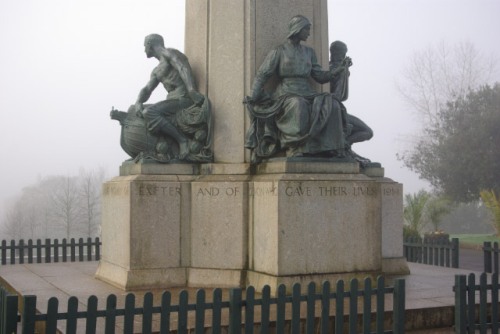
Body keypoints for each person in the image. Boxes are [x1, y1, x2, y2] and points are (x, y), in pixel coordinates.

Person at [244, 15, 346, 160]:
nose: (309, 33)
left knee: (333, 104)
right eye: (307, 29)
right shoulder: (279, 51)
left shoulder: (309, 52)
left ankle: (330, 148)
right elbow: (263, 74)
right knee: (297, 104)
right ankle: (295, 147)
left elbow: (319, 76)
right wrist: (253, 96)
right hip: (286, 92)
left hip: (307, 91)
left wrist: (337, 71)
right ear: (297, 29)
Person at [135, 33, 212, 161]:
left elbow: (183, 68)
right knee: (142, 112)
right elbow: (148, 89)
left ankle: (183, 141)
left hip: (183, 98)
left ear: (150, 45)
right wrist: (138, 101)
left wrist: (192, 90)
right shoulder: (156, 70)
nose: (144, 50)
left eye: (145, 46)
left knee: (150, 112)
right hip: (172, 100)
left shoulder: (169, 53)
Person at [329, 40, 373, 165]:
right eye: (342, 53)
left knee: (367, 132)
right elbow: (338, 96)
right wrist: (344, 72)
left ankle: (344, 146)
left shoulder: (332, 67)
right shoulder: (335, 69)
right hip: (335, 110)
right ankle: (343, 147)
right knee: (368, 132)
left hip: (338, 108)